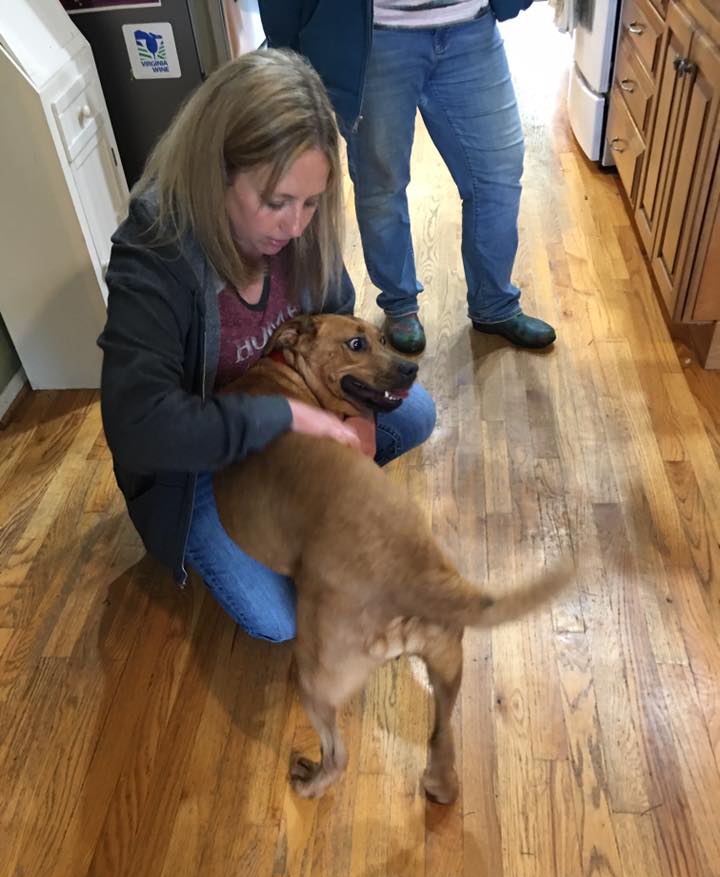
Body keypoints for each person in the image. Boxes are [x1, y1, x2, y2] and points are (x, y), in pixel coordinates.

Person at [98, 49, 436, 643]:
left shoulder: (304, 228)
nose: (296, 225)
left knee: (413, 414)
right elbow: (139, 427)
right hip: (196, 467)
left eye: (311, 202)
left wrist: (352, 419)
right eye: (276, 202)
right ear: (216, 173)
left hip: (285, 417)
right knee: (277, 622)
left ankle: (305, 501)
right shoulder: (154, 253)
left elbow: (338, 320)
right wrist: (288, 417)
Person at [258, 0, 555, 356]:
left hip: (472, 25)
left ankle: (495, 305)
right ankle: (399, 305)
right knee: (381, 185)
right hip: (374, 34)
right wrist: (285, 43)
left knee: (498, 175)